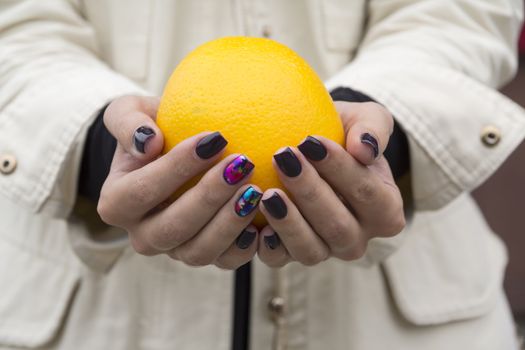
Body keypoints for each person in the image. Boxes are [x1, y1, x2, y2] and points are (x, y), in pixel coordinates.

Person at [0, 1, 524, 349]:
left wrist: (375, 137)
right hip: (82, 316)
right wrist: (100, 146)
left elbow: (459, 12)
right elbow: (19, 25)